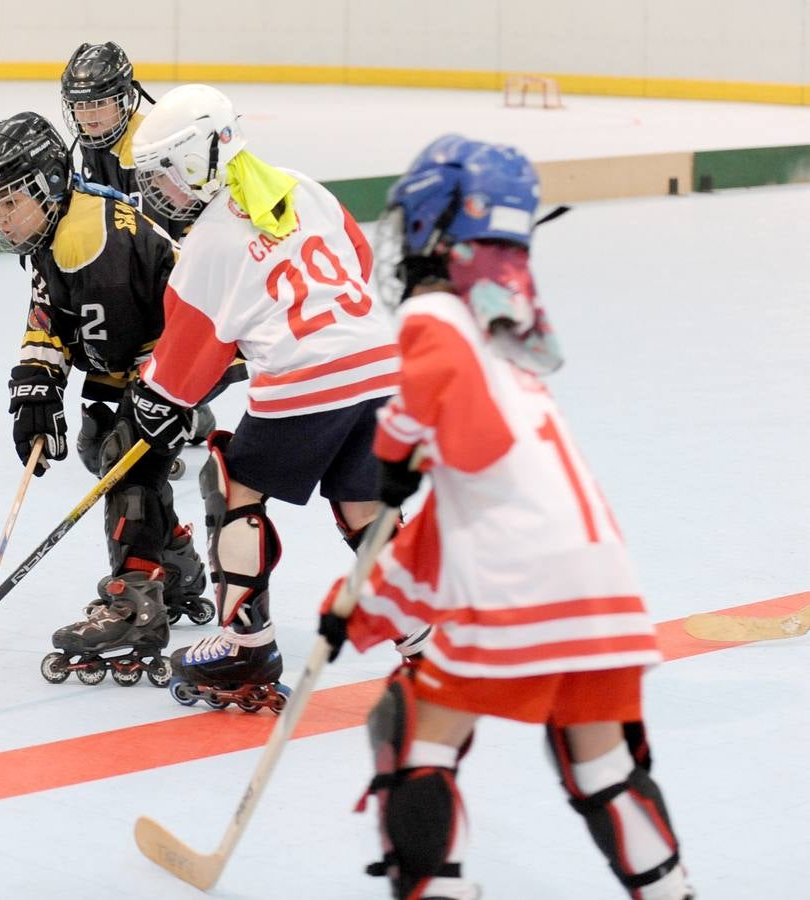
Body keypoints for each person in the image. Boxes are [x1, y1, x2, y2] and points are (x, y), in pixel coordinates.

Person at [317, 135, 693, 900]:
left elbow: (455, 427)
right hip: (603, 585)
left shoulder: (437, 320)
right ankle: (670, 889)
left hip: (524, 586)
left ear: (432, 227)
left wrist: (395, 449)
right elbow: (449, 525)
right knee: (601, 762)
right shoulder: (513, 347)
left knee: (411, 730)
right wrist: (347, 616)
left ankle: (434, 889)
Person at [126, 84, 429, 714]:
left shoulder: (208, 238)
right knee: (363, 508)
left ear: (200, 158)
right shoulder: (302, 185)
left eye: (165, 176)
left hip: (307, 379)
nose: (160, 194)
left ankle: (246, 641)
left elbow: (182, 363)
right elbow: (357, 258)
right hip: (382, 365)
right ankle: (428, 645)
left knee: (235, 482)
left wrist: (151, 404)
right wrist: (274, 326)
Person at [0, 111, 217, 687]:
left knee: (125, 457)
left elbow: (139, 338)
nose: (2, 220)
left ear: (49, 185)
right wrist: (34, 392)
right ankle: (171, 562)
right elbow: (49, 320)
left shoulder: (94, 242)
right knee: (102, 444)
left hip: (178, 356)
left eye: (10, 202)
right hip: (138, 358)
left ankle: (137, 600)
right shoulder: (59, 230)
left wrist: (153, 403)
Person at [60, 41, 223, 443]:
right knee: (97, 436)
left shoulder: (150, 145)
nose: (89, 116)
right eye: (80, 106)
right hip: (129, 276)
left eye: (99, 104)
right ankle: (189, 411)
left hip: (172, 272)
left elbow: (175, 228)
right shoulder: (87, 150)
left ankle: (175, 403)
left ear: (124, 100)